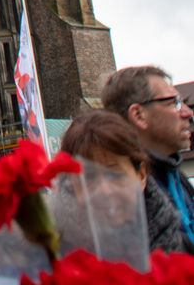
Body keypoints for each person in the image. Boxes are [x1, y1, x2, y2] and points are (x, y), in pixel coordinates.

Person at [58, 108, 183, 251]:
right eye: (89, 177)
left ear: (141, 175)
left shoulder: (182, 251)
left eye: (114, 174)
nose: (104, 190)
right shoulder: (51, 256)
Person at [100, 67, 194, 253]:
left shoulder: (177, 178)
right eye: (173, 103)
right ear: (138, 115)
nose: (187, 113)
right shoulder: (122, 194)